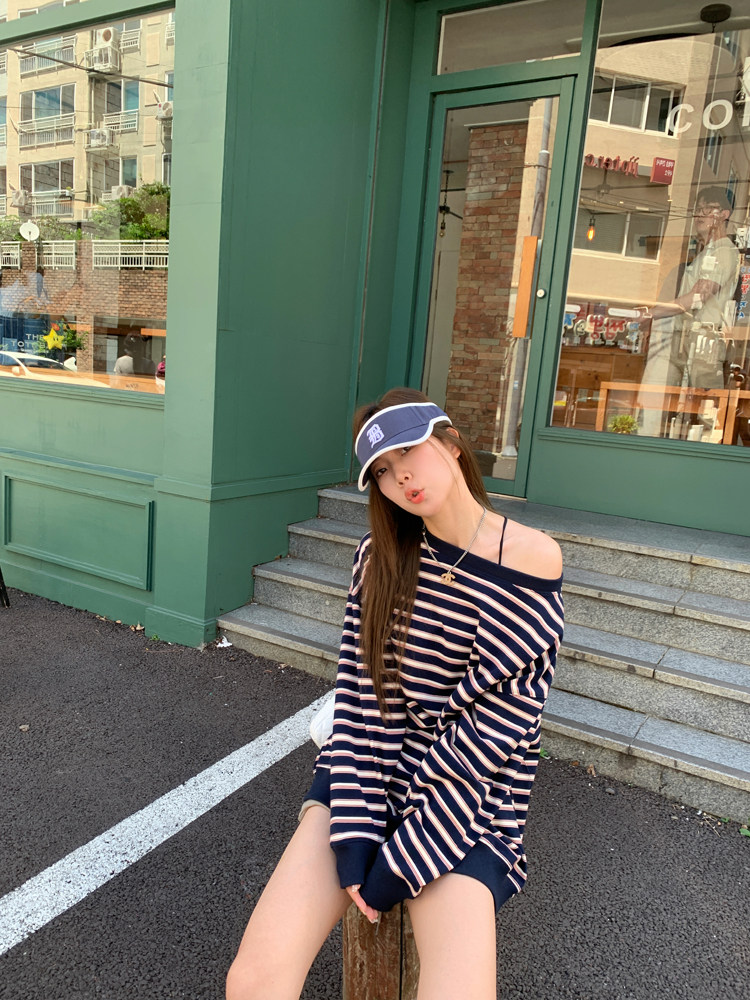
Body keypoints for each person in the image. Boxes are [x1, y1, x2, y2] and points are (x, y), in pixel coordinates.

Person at [226, 387, 564, 1000]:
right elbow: (363, 697)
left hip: (471, 796)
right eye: (381, 470)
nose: (399, 476)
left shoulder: (530, 559)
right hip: (370, 768)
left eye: (408, 451)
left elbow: (494, 731)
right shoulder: (378, 557)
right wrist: (357, 829)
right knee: (254, 981)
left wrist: (403, 859)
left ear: (452, 444)